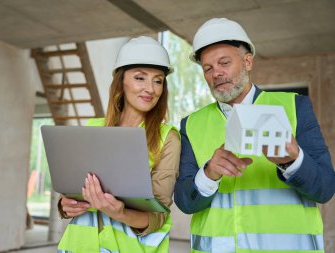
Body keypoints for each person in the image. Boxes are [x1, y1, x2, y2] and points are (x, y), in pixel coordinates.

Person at [174, 17, 335, 253]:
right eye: (208, 68)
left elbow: (325, 188)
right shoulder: (192, 124)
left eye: (224, 63)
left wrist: (293, 160)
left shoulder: (294, 107)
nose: (216, 73)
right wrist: (209, 174)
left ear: (248, 62)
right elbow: (185, 201)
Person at [57, 36, 181, 253]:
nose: (150, 89)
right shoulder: (93, 127)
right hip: (78, 246)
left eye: (158, 80)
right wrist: (65, 206)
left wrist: (120, 213)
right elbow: (74, 190)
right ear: (120, 82)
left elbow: (159, 215)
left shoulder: (167, 137)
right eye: (140, 78)